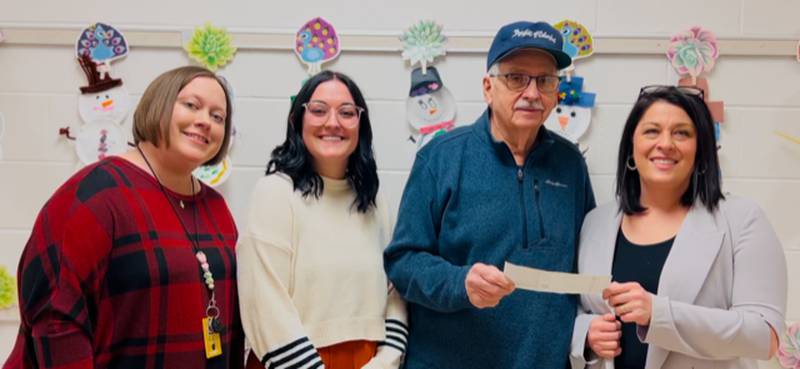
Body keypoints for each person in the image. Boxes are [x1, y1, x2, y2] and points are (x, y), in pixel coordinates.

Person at [383, 21, 595, 369]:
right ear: (487, 87)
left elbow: (586, 266)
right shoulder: (441, 158)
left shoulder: (571, 165)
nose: (532, 92)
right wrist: (459, 282)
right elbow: (402, 262)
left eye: (545, 80)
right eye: (516, 78)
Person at [4, 66, 243, 368]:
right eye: (191, 105)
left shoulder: (216, 209)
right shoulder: (98, 193)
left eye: (217, 116)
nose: (204, 121)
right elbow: (54, 314)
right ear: (159, 105)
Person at [570, 85, 787, 369]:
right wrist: (586, 335)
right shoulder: (595, 222)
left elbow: (764, 336)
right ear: (631, 150)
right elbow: (580, 307)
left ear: (700, 151)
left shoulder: (743, 219)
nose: (665, 143)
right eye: (651, 131)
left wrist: (658, 314)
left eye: (682, 133)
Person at [238, 70, 407, 369]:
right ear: (296, 121)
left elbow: (395, 293)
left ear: (360, 125)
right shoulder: (276, 193)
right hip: (290, 361)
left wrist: (387, 361)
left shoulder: (375, 202)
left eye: (346, 112)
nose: (333, 123)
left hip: (369, 361)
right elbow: (265, 305)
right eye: (318, 111)